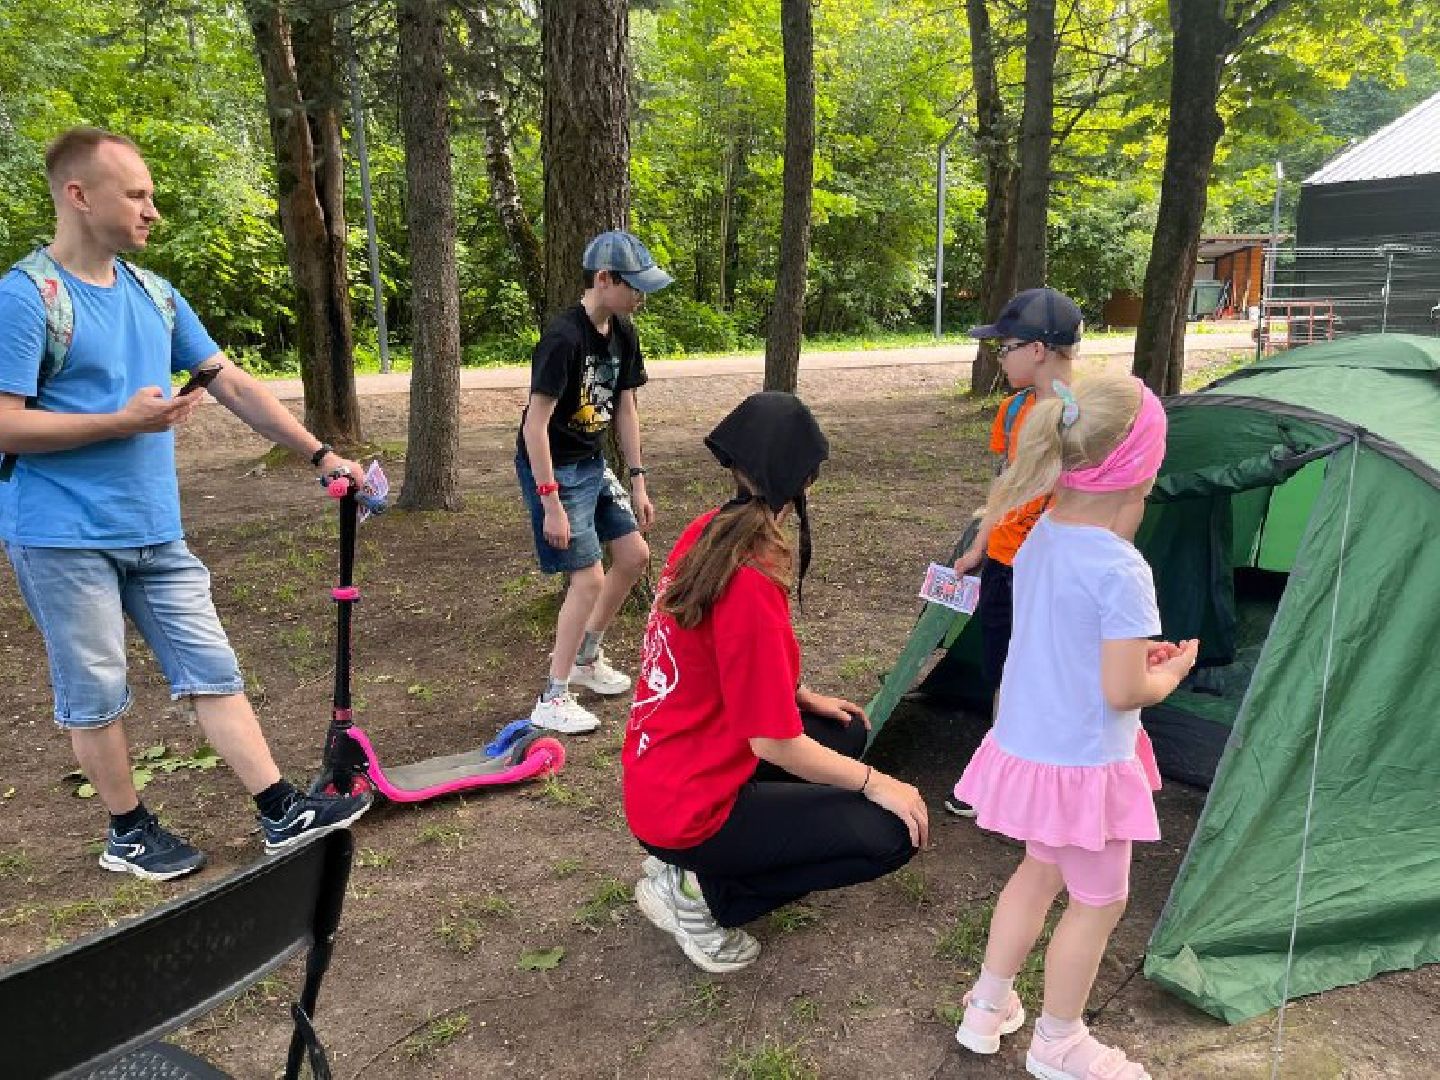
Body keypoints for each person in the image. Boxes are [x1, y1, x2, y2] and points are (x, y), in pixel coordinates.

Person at [0, 127, 373, 881]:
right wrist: (122, 421)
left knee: (212, 668)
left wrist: (321, 454)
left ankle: (280, 811)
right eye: (136, 194)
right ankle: (127, 831)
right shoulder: (25, 298)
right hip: (62, 536)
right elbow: (5, 422)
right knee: (97, 691)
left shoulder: (155, 295)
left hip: (155, 533)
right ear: (79, 196)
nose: (152, 211)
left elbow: (228, 382)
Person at [622, 392, 928, 974]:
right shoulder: (751, 580)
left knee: (846, 731)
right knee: (892, 831)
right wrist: (879, 783)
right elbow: (774, 745)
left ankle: (689, 866)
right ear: (805, 480)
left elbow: (714, 659)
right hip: (686, 810)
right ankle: (702, 896)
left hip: (662, 773)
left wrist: (795, 694)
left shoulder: (709, 533)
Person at [950, 373, 1197, 1079]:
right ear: (1141, 476)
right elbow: (1124, 691)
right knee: (1100, 900)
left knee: (1038, 872)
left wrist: (1127, 657)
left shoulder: (1039, 534)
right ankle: (1059, 1043)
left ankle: (987, 1006)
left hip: (1035, 751)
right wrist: (1167, 673)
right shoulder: (1121, 568)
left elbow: (1065, 645)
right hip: (1084, 766)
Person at [515, 230, 672, 734]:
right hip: (553, 470)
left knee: (633, 557)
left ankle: (585, 659)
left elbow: (625, 405)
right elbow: (533, 425)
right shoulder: (562, 339)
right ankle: (552, 696)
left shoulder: (623, 333)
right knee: (588, 578)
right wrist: (551, 503)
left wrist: (639, 479)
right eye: (634, 287)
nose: (641, 298)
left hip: (591, 463)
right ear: (605, 280)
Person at [948, 287, 1082, 817]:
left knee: (1047, 672)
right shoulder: (1013, 410)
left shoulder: (1083, 415)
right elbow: (1002, 486)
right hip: (1006, 563)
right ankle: (1003, 781)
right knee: (1005, 669)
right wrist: (978, 548)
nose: (999, 358)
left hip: (1055, 570)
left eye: (1005, 348)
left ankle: (1025, 788)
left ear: (1040, 349)